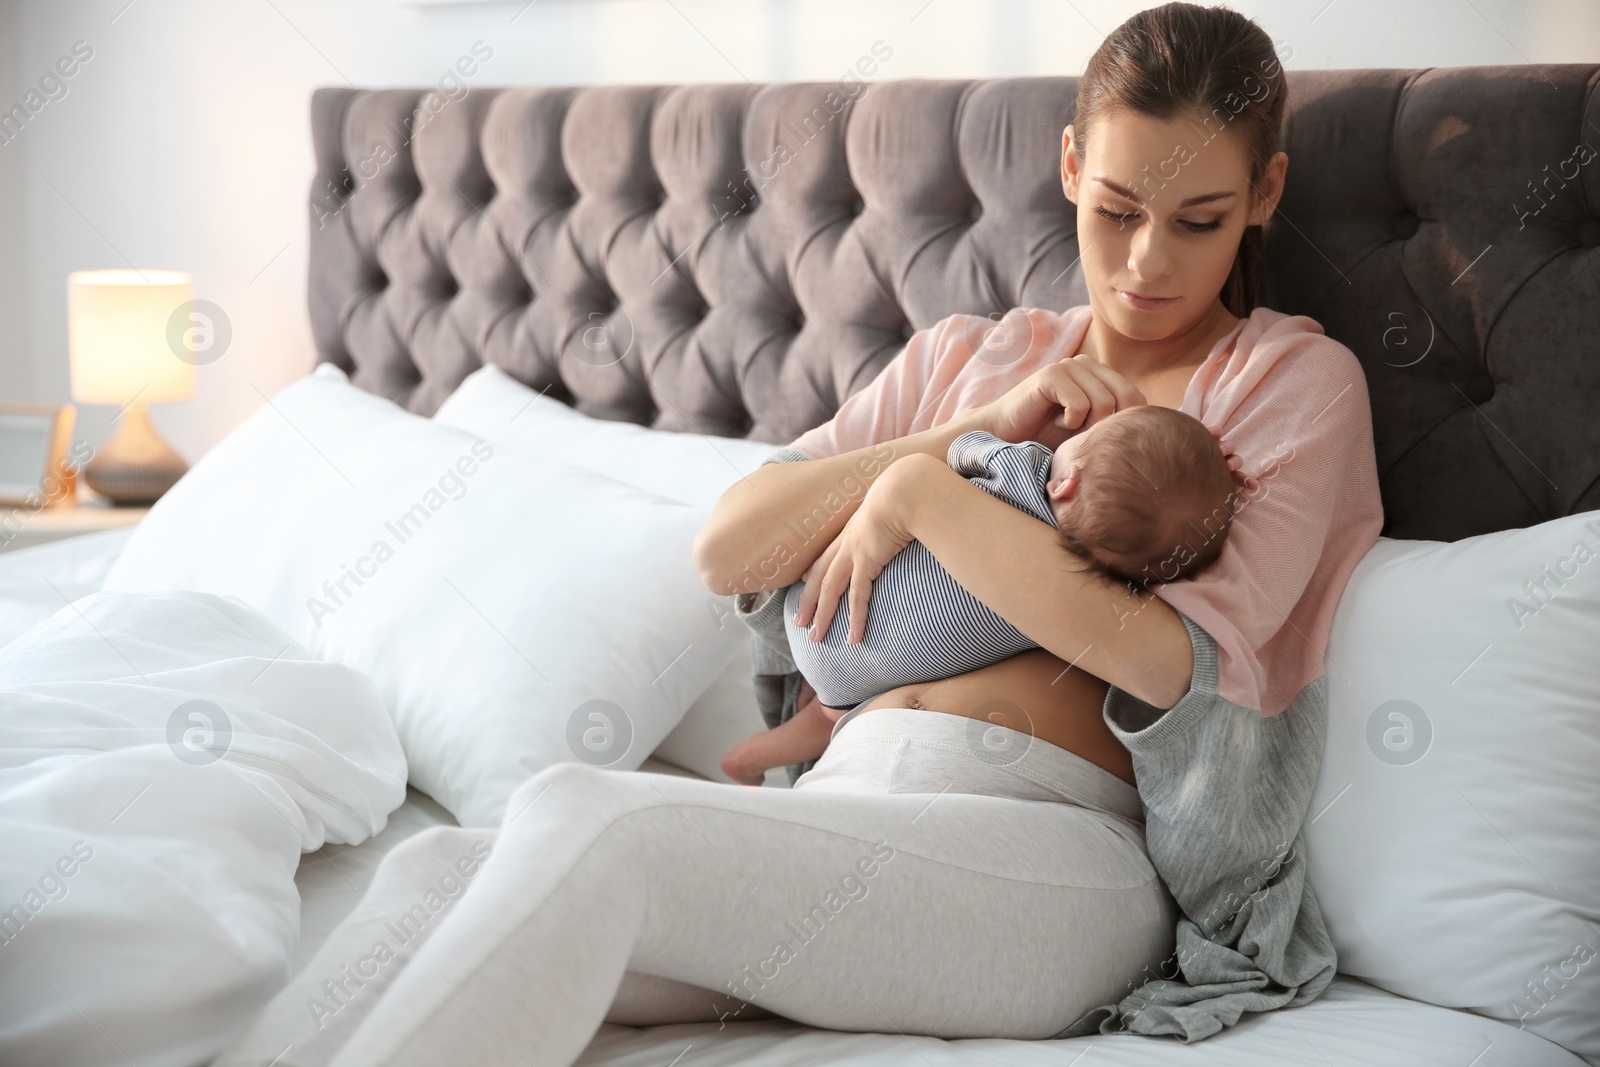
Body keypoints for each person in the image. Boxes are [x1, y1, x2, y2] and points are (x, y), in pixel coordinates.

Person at [214, 4, 1384, 1064]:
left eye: (1199, 220)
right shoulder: (964, 358)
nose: (1145, 262)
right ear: (1071, 165)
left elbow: (1170, 662)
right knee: (433, 872)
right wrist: (967, 431)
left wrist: (927, 501)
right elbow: (734, 548)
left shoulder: (1289, 382)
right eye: (1119, 209)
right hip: (840, 811)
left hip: (1055, 856)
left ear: (1265, 192)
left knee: (590, 822)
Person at [721, 406, 1242, 786]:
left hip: (814, 610)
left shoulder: (1021, 471)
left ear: (1066, 483)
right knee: (823, 720)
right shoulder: (1092, 588)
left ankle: (749, 753)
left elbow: (964, 446)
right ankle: (753, 756)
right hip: (850, 685)